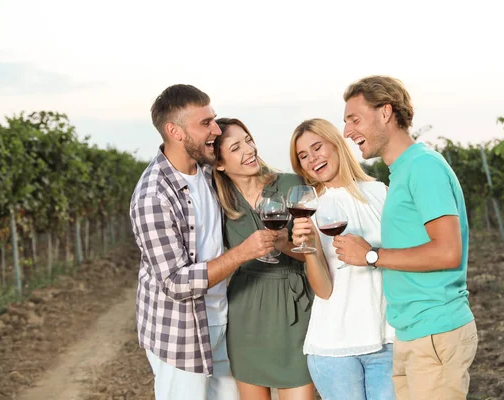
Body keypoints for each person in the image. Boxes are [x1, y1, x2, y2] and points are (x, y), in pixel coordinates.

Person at [129, 84, 278, 400]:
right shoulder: (153, 196)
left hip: (222, 317)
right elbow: (175, 282)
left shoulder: (209, 172)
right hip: (181, 332)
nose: (217, 129)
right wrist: (243, 253)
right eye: (205, 123)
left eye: (214, 119)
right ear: (175, 131)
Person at [335, 75, 478, 400]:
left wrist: (371, 255)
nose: (346, 131)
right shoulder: (401, 171)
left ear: (385, 112)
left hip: (435, 332)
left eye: (354, 119)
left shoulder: (423, 167)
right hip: (412, 333)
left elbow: (447, 252)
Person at [289, 118, 396, 400]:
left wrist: (369, 256)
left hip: (387, 340)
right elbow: (324, 290)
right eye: (303, 156)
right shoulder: (309, 210)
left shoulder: (381, 193)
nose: (312, 159)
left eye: (317, 147)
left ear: (336, 144)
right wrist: (310, 250)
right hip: (333, 347)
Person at [212, 117, 315, 400]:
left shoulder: (292, 185)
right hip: (245, 311)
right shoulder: (219, 203)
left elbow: (316, 255)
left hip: (294, 309)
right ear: (219, 164)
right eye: (236, 147)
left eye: (248, 140)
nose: (249, 149)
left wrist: (285, 245)